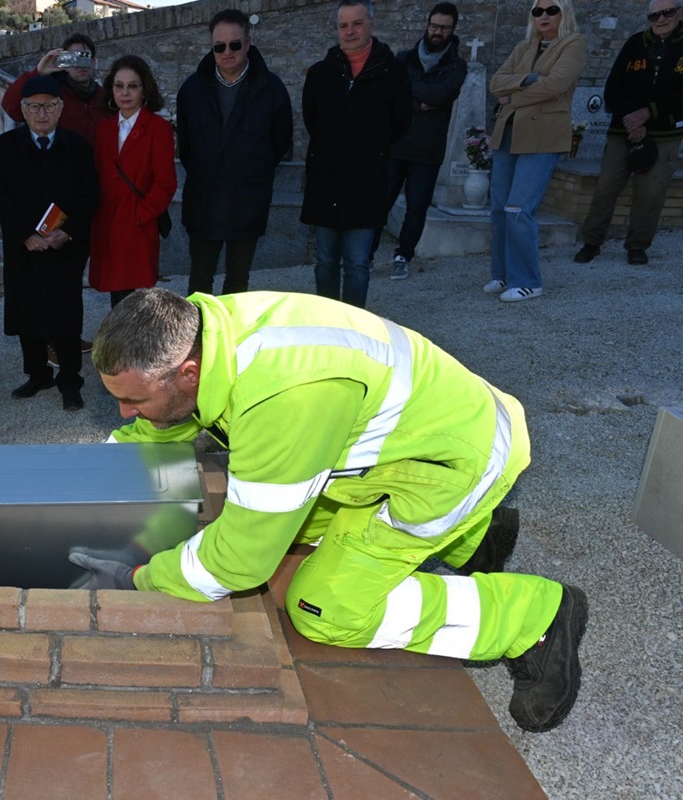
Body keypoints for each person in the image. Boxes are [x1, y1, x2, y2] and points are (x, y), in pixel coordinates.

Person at [76, 287, 589, 735]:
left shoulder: (285, 397)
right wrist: (94, 468)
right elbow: (178, 415)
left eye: (133, 400)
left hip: (448, 468)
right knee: (291, 527)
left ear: (187, 372)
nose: (125, 412)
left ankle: (532, 615)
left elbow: (239, 562)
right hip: (410, 441)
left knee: (322, 607)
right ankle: (477, 537)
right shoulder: (216, 332)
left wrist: (143, 578)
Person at [0, 75, 98, 412]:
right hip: (25, 248)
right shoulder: (4, 148)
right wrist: (26, 235)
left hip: (64, 247)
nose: (42, 114)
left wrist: (68, 232)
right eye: (34, 107)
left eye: (49, 106)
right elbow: (0, 196)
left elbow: (89, 196)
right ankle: (37, 374)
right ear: (23, 110)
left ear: (60, 108)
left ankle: (69, 379)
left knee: (65, 314)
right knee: (27, 312)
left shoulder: (77, 147)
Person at [301, 0, 411, 308]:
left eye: (357, 23)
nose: (350, 31)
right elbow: (312, 119)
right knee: (324, 261)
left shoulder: (393, 72)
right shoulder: (321, 74)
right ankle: (326, 322)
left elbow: (401, 122)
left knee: (357, 262)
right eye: (343, 25)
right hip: (326, 180)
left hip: (366, 181)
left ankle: (353, 329)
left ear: (371, 24)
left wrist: (369, 150)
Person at [176, 8, 293, 296]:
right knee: (200, 282)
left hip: (248, 202)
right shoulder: (192, 89)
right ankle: (199, 339)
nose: (227, 52)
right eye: (219, 46)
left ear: (248, 43)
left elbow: (281, 142)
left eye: (235, 44)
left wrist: (251, 170)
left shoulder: (272, 89)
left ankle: (231, 339)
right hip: (204, 202)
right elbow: (187, 147)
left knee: (238, 283)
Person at [486, 0, 585, 302]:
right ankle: (502, 274)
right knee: (499, 208)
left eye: (551, 10)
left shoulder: (573, 44)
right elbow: (495, 83)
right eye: (538, 11)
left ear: (564, 13)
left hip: (542, 137)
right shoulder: (524, 46)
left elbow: (554, 86)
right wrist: (525, 80)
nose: (543, 16)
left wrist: (512, 98)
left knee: (519, 209)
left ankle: (528, 280)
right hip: (509, 135)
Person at [573, 0, 683, 267]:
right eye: (654, 15)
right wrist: (632, 120)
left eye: (667, 12)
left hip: (664, 134)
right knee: (606, 187)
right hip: (623, 130)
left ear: (680, 12)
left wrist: (649, 113)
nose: (660, 19)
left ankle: (637, 245)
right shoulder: (635, 43)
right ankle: (591, 242)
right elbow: (613, 87)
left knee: (651, 192)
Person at [373, 2, 467, 281]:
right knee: (379, 204)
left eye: (444, 28)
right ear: (427, 25)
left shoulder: (456, 66)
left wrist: (410, 95)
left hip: (427, 150)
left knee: (417, 209)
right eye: (434, 26)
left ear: (452, 30)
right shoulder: (403, 59)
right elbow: (388, 94)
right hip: (395, 145)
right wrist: (421, 102)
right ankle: (365, 256)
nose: (437, 32)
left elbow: (443, 95)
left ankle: (403, 255)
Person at [89, 55, 177, 310]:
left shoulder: (158, 128)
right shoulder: (104, 129)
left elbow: (165, 183)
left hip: (137, 225)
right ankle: (118, 346)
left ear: (144, 89)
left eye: (133, 85)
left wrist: (140, 215)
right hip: (107, 223)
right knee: (115, 293)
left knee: (135, 295)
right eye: (119, 85)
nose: (125, 92)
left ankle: (133, 347)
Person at [1, 32, 111, 146]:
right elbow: (11, 108)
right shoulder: (51, 93)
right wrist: (38, 72)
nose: (80, 65)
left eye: (84, 57)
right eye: (74, 58)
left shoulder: (103, 97)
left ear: (93, 62)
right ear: (65, 64)